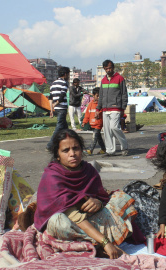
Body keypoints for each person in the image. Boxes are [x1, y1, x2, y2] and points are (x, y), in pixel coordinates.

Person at [30, 129, 137, 259]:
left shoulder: (88, 170)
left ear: (81, 150)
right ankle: (98, 246)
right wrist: (105, 242)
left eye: (76, 148)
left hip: (90, 219)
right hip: (71, 224)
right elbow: (75, 217)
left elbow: (102, 196)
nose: (72, 154)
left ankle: (94, 244)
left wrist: (98, 202)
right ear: (57, 155)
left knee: (123, 198)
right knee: (58, 222)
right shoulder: (52, 176)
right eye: (66, 150)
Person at [95, 60, 128, 156]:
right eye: (106, 69)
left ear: (113, 67)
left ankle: (124, 146)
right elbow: (101, 96)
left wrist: (123, 108)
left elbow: (124, 95)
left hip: (116, 108)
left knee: (114, 127)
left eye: (109, 68)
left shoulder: (120, 78)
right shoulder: (103, 80)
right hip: (105, 109)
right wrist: (98, 109)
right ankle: (110, 150)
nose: (108, 70)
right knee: (107, 131)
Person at [46, 66, 70, 151]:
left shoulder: (53, 83)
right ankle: (50, 145)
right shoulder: (64, 83)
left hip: (56, 108)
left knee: (65, 127)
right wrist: (56, 103)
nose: (69, 76)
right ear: (65, 74)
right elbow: (62, 95)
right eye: (69, 74)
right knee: (59, 127)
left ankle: (68, 142)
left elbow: (50, 97)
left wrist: (51, 109)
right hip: (62, 107)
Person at [82, 87, 106, 155]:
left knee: (94, 137)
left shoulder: (101, 105)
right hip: (92, 123)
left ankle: (90, 150)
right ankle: (103, 148)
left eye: (100, 96)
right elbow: (87, 114)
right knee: (98, 137)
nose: (98, 98)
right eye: (97, 96)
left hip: (98, 123)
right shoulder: (90, 104)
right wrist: (84, 122)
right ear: (93, 95)